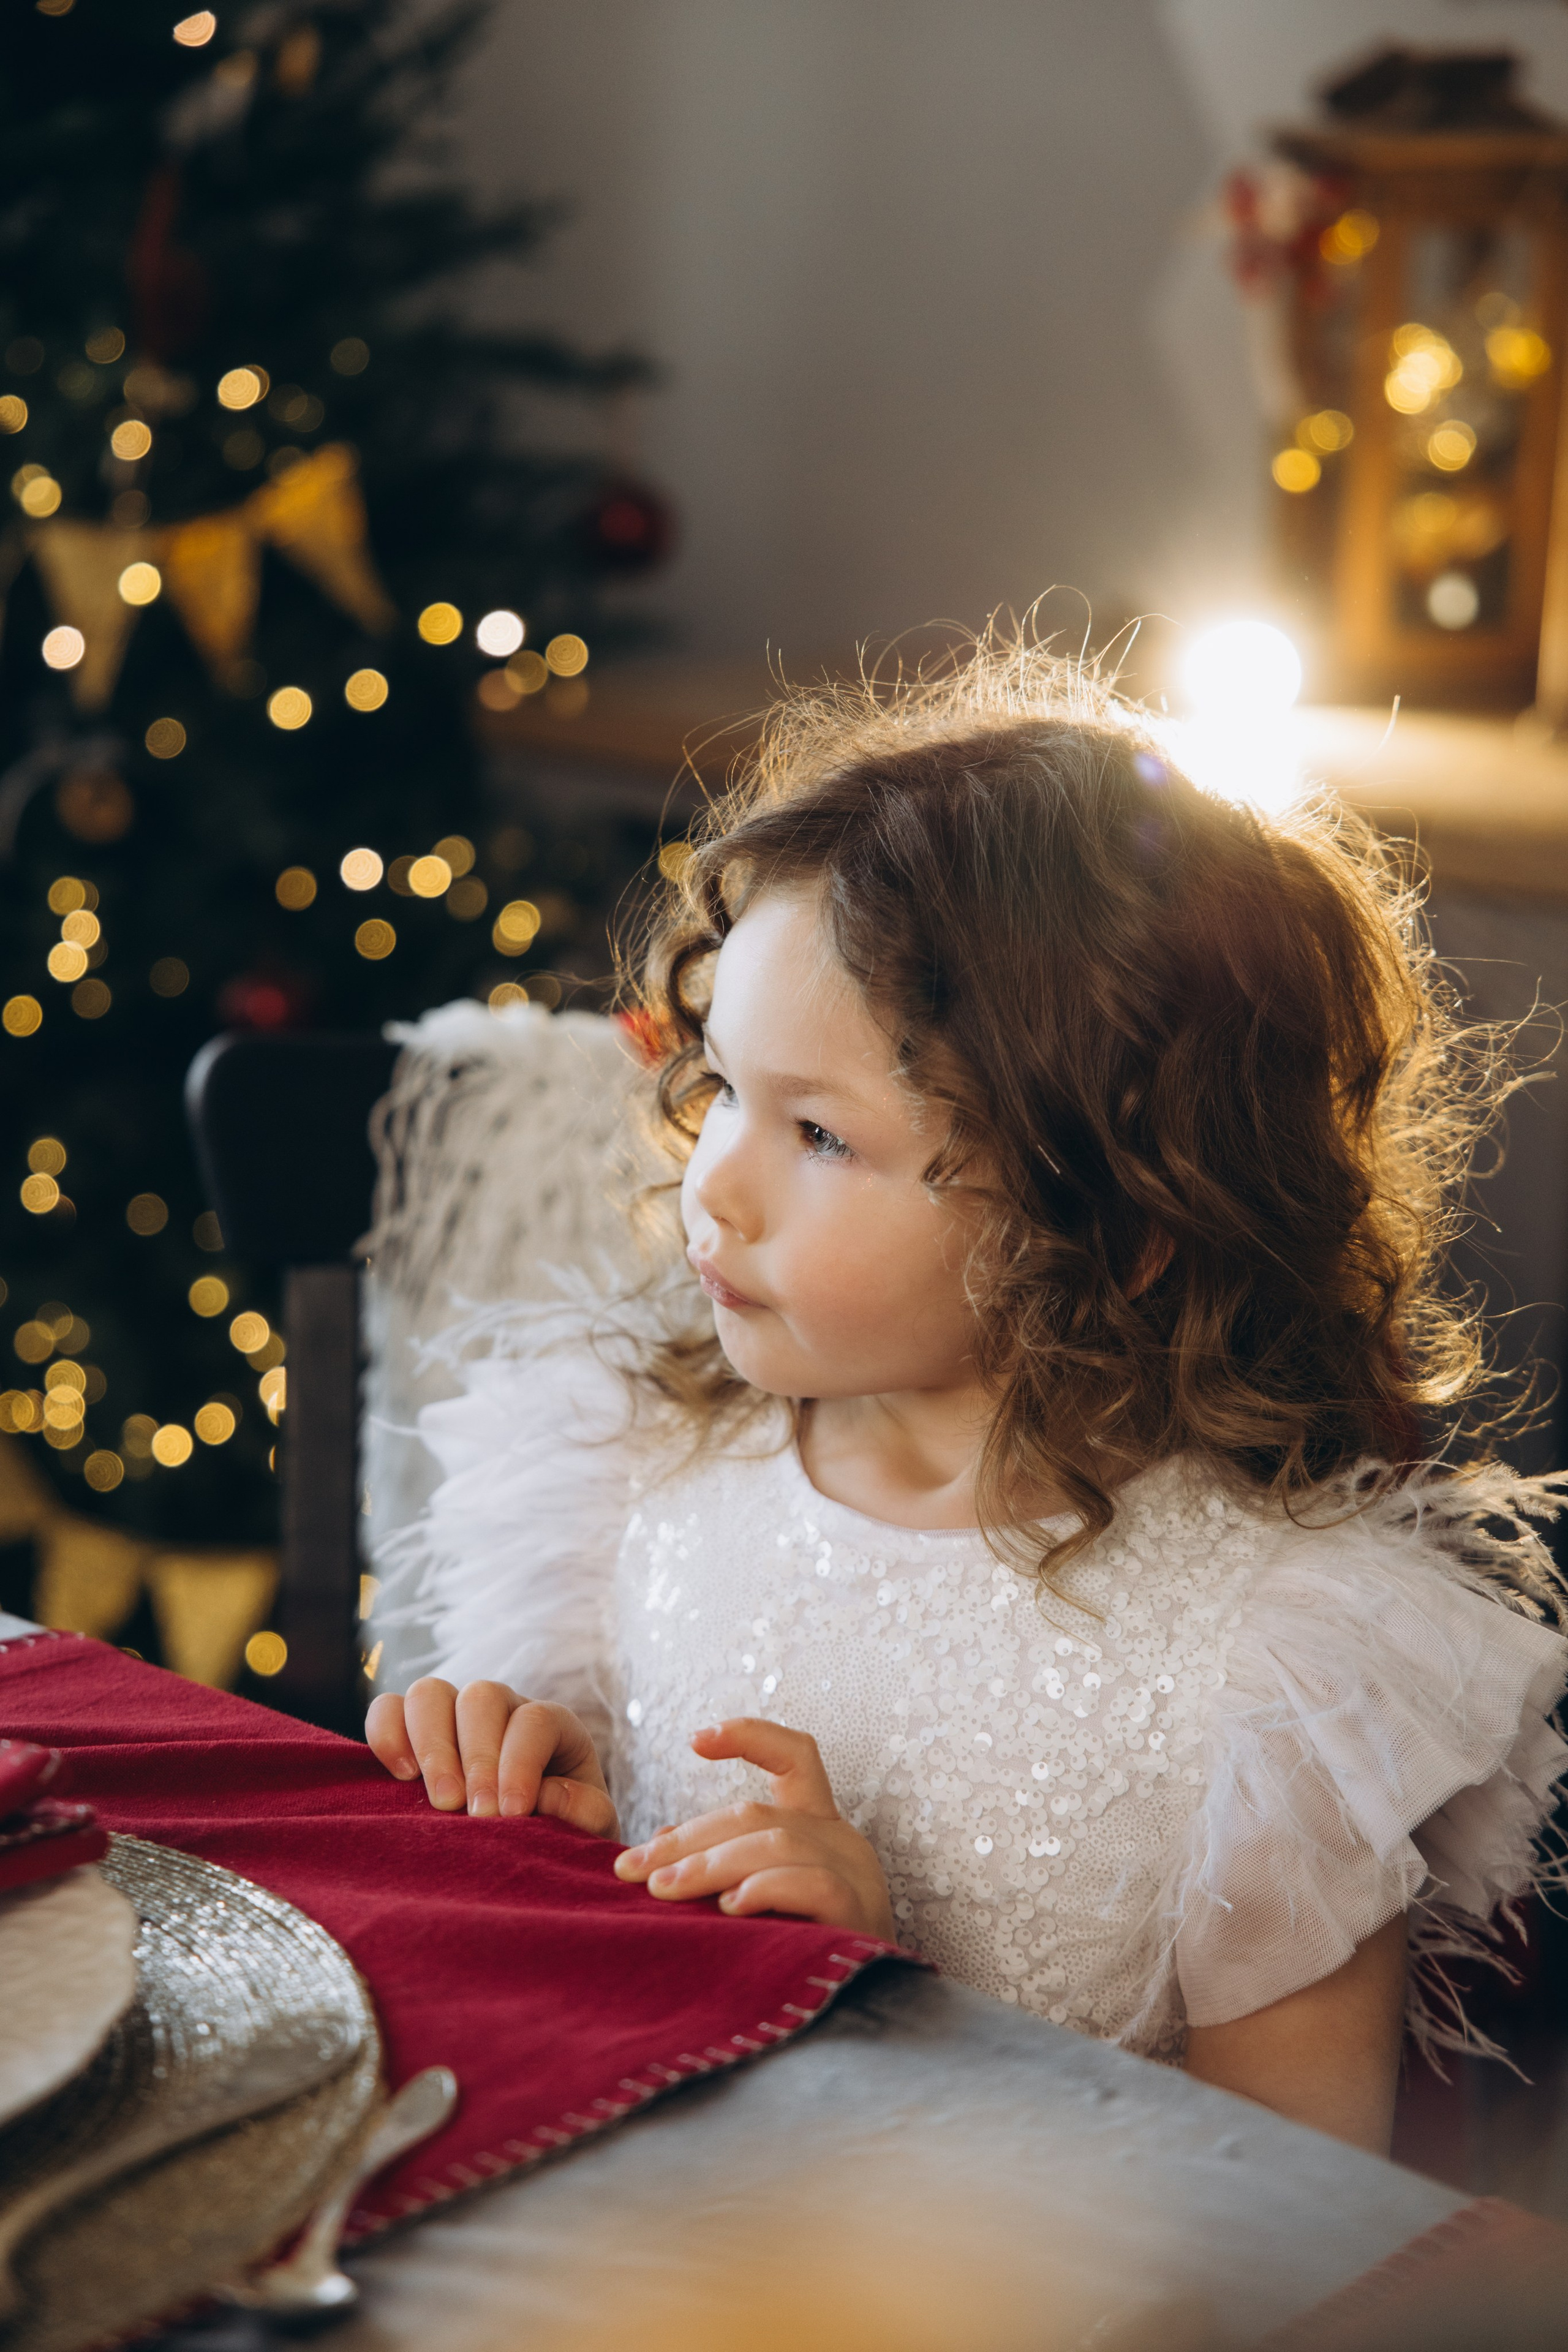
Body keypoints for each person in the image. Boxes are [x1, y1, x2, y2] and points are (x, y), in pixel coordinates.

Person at [368, 636, 1568, 2155]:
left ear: (1119, 1220)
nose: (711, 1186)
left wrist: (896, 2009)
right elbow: (575, 1944)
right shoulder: (632, 1465)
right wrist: (535, 1791)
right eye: (724, 1086)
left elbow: (1293, 2217)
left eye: (820, 1136)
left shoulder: (1276, 1671)